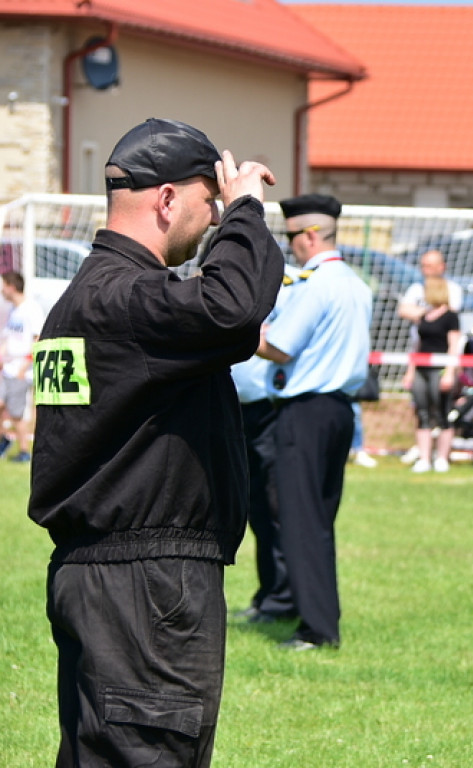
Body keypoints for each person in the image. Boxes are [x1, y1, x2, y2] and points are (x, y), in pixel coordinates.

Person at [28, 118, 283, 767]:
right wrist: (248, 210)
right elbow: (232, 309)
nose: (213, 223)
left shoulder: (84, 301)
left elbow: (214, 322)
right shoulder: (126, 300)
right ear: (167, 200)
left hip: (102, 578)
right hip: (146, 588)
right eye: (210, 206)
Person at [257, 193, 372, 651]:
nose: (290, 247)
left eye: (290, 237)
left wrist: (238, 327)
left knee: (301, 522)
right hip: (339, 410)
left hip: (304, 412)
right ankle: (321, 618)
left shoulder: (316, 284)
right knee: (318, 520)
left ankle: (317, 629)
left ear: (308, 235)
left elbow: (280, 346)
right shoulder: (353, 283)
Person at [230, 354, 295, 624]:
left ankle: (283, 599)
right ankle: (268, 593)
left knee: (275, 508)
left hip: (270, 409)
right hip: (240, 410)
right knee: (257, 511)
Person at [398, 249, 463, 465]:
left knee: (442, 411)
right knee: (422, 411)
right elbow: (404, 311)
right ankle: (424, 456)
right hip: (422, 365)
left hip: (441, 365)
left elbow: (453, 338)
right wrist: (410, 370)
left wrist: (450, 371)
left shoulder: (452, 298)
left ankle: (442, 456)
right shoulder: (421, 306)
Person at [0, 270, 44, 462]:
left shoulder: (31, 309)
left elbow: (38, 339)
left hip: (21, 370)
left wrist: (24, 366)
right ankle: (4, 440)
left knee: (17, 412)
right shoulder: (14, 310)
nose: (1, 291)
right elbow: (8, 338)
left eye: (3, 286)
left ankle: (25, 451)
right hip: (8, 368)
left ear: (11, 287)